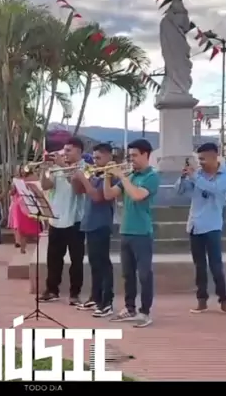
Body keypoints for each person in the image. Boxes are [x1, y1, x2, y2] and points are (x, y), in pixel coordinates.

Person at [174, 143, 226, 315]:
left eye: (203, 159)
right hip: (195, 226)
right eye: (198, 159)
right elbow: (179, 191)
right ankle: (201, 301)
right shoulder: (198, 174)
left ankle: (224, 301)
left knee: (216, 266)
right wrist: (183, 178)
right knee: (199, 266)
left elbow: (215, 189)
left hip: (212, 226)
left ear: (214, 157)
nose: (200, 162)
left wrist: (194, 176)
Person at [103, 139, 160, 328]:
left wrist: (122, 176)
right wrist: (107, 176)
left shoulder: (151, 176)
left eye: (135, 155)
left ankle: (145, 312)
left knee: (144, 274)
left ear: (146, 155)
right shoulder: (131, 176)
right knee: (127, 274)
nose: (131, 159)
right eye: (130, 156)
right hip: (126, 230)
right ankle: (129, 308)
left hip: (142, 232)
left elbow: (137, 196)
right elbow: (109, 195)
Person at [39, 137, 86, 305]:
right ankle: (52, 290)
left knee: (76, 260)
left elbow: (78, 187)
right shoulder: (57, 167)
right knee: (53, 258)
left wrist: (62, 165)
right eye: (64, 150)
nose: (64, 153)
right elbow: (46, 186)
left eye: (68, 150)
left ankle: (75, 293)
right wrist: (44, 170)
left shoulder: (84, 168)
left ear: (79, 151)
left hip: (75, 219)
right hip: (56, 219)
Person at [74, 143, 115, 317]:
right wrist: (77, 178)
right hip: (90, 223)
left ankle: (106, 302)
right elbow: (79, 191)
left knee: (103, 263)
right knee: (94, 263)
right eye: (94, 158)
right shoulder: (95, 174)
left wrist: (84, 179)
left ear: (109, 157)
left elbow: (98, 197)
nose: (95, 161)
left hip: (101, 224)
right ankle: (95, 297)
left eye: (99, 158)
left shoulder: (111, 175)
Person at [10, 165, 42, 254]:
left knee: (36, 227)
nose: (22, 170)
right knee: (22, 228)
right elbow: (12, 193)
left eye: (24, 168)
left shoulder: (33, 177)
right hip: (20, 205)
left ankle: (40, 247)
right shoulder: (16, 180)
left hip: (31, 204)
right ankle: (22, 248)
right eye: (20, 169)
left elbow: (38, 189)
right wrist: (12, 186)